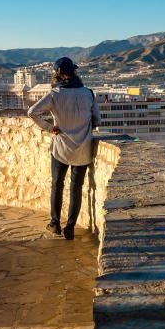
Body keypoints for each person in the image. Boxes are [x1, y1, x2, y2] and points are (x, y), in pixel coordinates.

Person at [27, 57, 100, 239]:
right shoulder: (88, 93)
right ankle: (70, 228)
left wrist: (49, 127)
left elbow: (32, 112)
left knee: (57, 185)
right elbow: (97, 120)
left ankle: (55, 223)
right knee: (76, 188)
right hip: (83, 148)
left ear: (57, 75)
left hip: (61, 148)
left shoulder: (55, 94)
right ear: (74, 72)